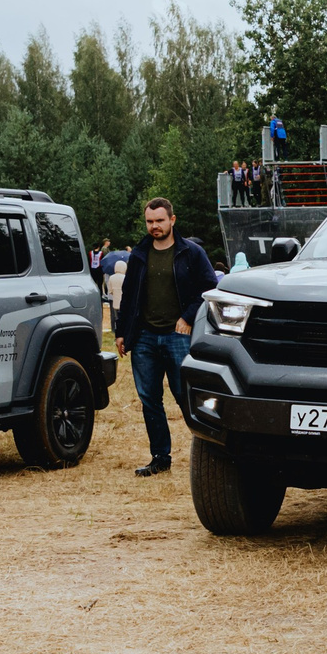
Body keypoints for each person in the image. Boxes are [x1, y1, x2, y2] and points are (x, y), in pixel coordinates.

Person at [114, 197, 219, 476]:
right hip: (145, 337)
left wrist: (187, 317)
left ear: (172, 220)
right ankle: (160, 457)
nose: (154, 226)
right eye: (150, 221)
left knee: (184, 395)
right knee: (149, 399)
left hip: (177, 337)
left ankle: (214, 453)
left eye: (159, 220)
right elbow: (129, 296)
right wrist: (122, 332)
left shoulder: (191, 253)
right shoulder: (138, 254)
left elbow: (209, 288)